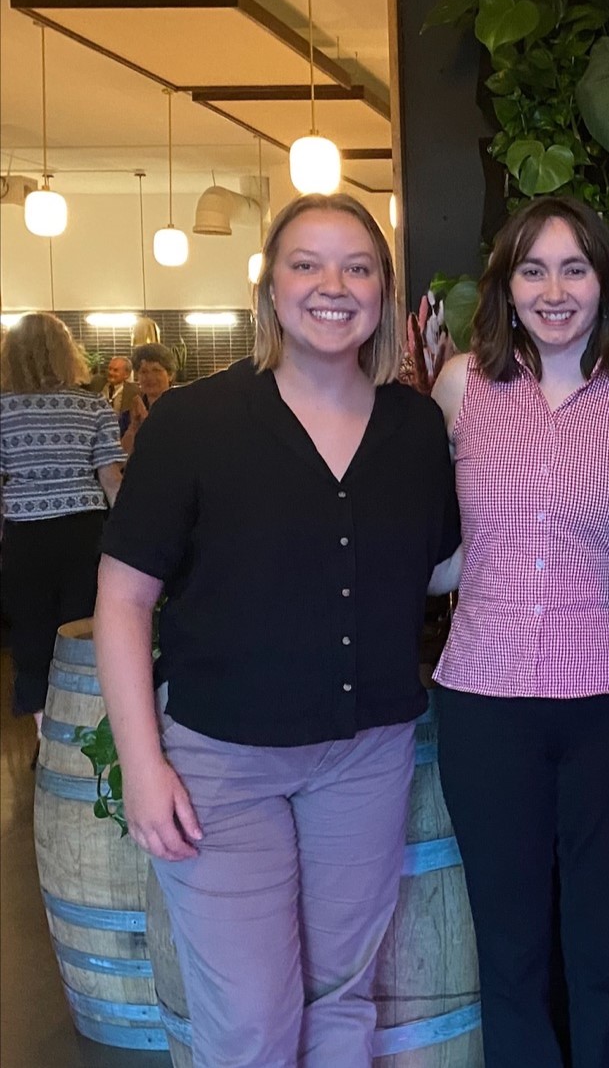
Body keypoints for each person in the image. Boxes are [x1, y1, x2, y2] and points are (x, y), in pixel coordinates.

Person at [93, 193, 461, 1068]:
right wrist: (143, 767)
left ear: (382, 291)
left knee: (342, 1001)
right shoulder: (192, 422)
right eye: (307, 263)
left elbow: (441, 566)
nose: (332, 285)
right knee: (251, 1023)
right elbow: (122, 600)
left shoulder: (415, 426)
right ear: (270, 290)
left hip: (365, 750)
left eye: (357, 266)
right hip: (224, 761)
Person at [429, 194, 609, 1068]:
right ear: (505, 284)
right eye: (532, 268)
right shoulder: (462, 384)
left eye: (574, 266)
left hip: (608, 698)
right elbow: (447, 551)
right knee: (508, 943)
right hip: (483, 698)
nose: (553, 288)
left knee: (601, 937)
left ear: (605, 282)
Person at [0, 312, 125, 726]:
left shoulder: (3, 409)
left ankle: (45, 736)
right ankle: (87, 727)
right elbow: (111, 478)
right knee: (85, 627)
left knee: (31, 633)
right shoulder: (93, 405)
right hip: (83, 530)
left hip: (24, 534)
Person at [119, 342, 176, 455]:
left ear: (170, 375)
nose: (149, 377)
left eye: (156, 370)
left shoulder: (184, 410)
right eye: (144, 371)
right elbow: (120, 459)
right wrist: (134, 426)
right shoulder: (127, 417)